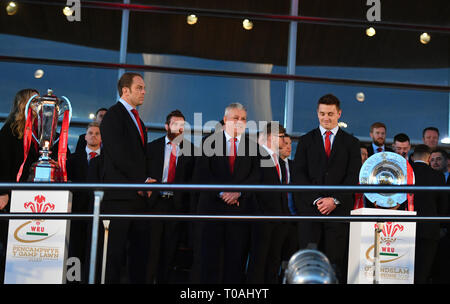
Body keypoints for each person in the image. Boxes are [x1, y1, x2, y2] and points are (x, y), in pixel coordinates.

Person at [0, 88, 67, 283]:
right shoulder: (9, 130)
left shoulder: (43, 130)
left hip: (38, 198)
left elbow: (62, 152)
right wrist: (3, 192)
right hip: (13, 197)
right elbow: (2, 162)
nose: (40, 106)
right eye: (35, 101)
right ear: (24, 104)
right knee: (11, 244)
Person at [293, 94, 361, 283]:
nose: (326, 118)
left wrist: (334, 200)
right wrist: (316, 200)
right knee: (308, 265)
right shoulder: (306, 141)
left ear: (339, 113)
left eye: (330, 114)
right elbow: (298, 175)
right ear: (317, 113)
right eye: (322, 113)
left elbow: (353, 176)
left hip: (338, 213)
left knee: (335, 265)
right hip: (310, 212)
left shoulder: (352, 144)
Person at [193, 102, 259, 283]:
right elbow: (201, 174)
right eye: (235, 118)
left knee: (235, 265)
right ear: (225, 120)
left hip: (238, 215)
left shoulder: (252, 146)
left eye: (243, 119)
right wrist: (222, 193)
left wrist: (238, 192)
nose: (239, 122)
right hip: (212, 212)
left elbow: (255, 177)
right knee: (209, 263)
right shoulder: (209, 142)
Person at [99, 72, 155, 283]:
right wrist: (142, 180)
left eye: (144, 88)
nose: (144, 92)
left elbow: (140, 155)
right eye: (139, 87)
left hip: (138, 199)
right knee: (114, 256)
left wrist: (147, 179)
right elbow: (119, 154)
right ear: (125, 90)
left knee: (139, 256)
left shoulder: (137, 119)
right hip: (119, 198)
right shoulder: (114, 115)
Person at [146, 109, 196, 283]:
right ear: (167, 126)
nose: (179, 129)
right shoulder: (152, 147)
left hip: (176, 206)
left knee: (169, 252)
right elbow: (143, 171)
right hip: (155, 204)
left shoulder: (192, 151)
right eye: (175, 124)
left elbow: (193, 181)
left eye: (182, 125)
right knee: (150, 251)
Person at [247, 122, 289, 284]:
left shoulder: (279, 160)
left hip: (279, 220)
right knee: (258, 261)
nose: (285, 141)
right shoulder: (256, 156)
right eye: (281, 137)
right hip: (262, 219)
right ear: (271, 137)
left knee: (273, 261)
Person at [67, 121, 102, 283]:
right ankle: (73, 280)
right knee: (74, 249)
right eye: (90, 133)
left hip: (99, 210)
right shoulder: (73, 159)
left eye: (97, 133)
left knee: (96, 249)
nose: (93, 136)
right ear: (85, 136)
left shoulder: (108, 160)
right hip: (77, 210)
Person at [409, 145, 448, 283]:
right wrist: (441, 226)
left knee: (402, 271)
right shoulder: (437, 176)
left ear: (413, 157)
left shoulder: (406, 174)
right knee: (422, 273)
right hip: (429, 229)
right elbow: (443, 204)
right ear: (428, 158)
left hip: (404, 228)